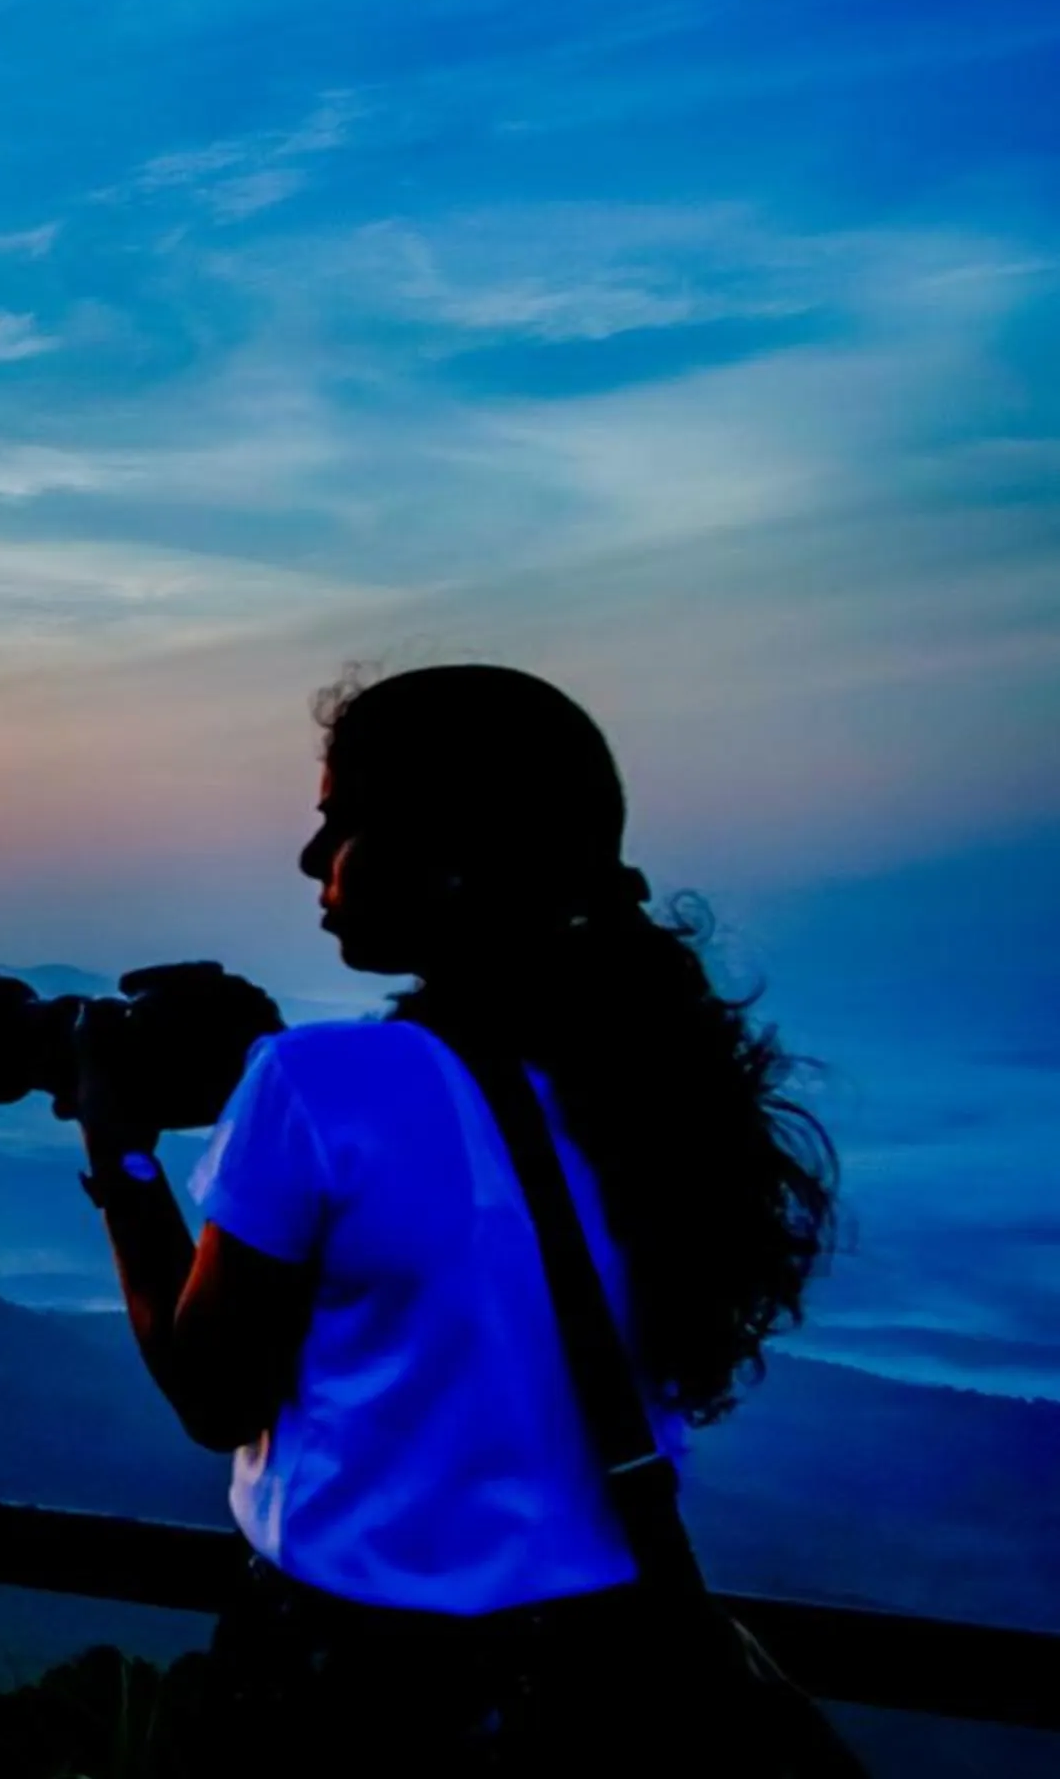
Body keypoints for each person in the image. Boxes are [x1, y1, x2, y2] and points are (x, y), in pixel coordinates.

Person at [63, 665, 840, 1775]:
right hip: (607, 1679)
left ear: (448, 844)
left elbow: (213, 1390)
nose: (308, 858)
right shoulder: (639, 1074)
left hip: (351, 1691)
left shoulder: (320, 1081)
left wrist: (117, 1142)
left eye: (341, 821)